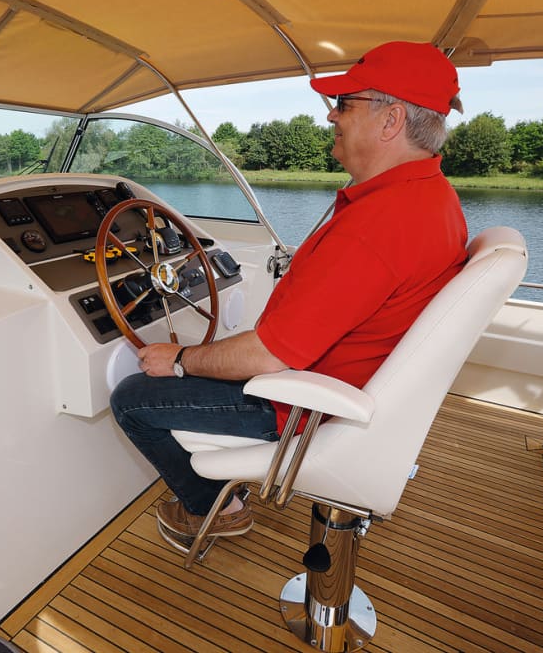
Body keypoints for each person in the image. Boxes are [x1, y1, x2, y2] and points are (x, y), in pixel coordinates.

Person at [110, 41, 469, 540]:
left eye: (345, 103)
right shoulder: (431, 198)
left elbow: (268, 356)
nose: (331, 115)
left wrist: (180, 358)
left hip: (299, 402)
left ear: (391, 120)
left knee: (132, 398)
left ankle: (216, 509)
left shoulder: (379, 225)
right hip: (343, 387)